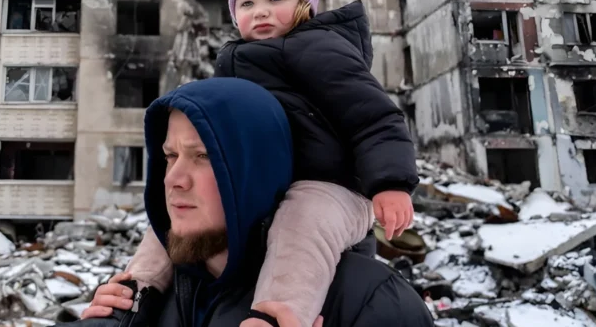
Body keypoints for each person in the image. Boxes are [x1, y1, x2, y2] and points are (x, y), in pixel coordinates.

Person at [124, 0, 420, 327]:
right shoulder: (234, 61)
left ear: (305, 4)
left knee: (301, 220)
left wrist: (391, 183)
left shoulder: (318, 47)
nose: (260, 11)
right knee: (178, 213)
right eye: (246, 4)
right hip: (269, 185)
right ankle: (134, 293)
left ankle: (278, 314)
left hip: (333, 188)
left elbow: (374, 118)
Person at [73, 78, 433, 327]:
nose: (174, 179)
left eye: (203, 157)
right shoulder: (150, 296)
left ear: (256, 171)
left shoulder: (371, 301)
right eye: (170, 156)